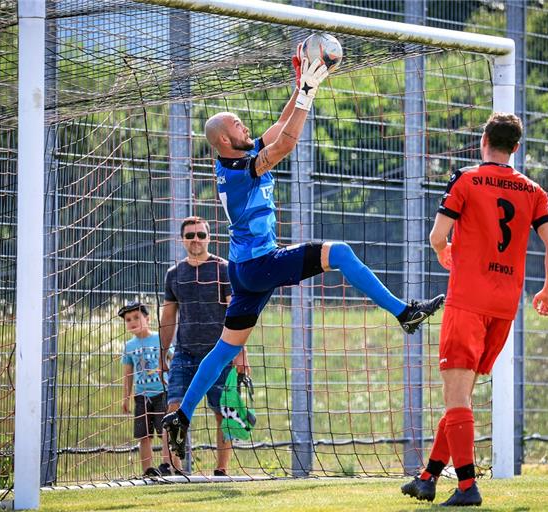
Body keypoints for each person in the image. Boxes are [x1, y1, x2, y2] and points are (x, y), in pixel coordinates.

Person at [161, 49, 445, 459]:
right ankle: (405, 313)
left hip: (245, 270)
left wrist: (301, 85)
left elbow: (279, 128)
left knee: (224, 348)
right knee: (340, 252)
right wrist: (308, 93)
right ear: (224, 139)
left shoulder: (237, 157)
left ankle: (181, 415)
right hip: (260, 265)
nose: (246, 127)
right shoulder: (239, 172)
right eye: (238, 125)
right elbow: (287, 143)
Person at [400, 112, 548, 507]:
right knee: (464, 396)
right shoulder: (533, 190)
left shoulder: (467, 179)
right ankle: (427, 478)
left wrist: (445, 251)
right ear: (516, 148)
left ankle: (467, 486)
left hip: (467, 301)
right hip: (504, 306)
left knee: (456, 398)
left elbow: (437, 236)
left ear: (483, 140)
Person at [159, 216, 249, 477]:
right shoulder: (174, 274)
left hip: (220, 353)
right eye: (190, 235)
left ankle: (221, 469)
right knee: (173, 407)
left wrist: (241, 353)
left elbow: (239, 313)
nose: (195, 240)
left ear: (208, 238)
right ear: (182, 239)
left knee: (223, 411)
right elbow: (168, 317)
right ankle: (170, 466)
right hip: (184, 353)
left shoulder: (224, 269)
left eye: (200, 235)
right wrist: (161, 353)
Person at [119, 301, 173, 477]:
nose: (132, 322)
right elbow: (128, 375)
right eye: (128, 319)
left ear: (147, 319)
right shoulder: (129, 346)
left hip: (162, 393)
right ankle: (148, 470)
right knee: (144, 435)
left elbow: (172, 359)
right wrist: (125, 398)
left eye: (136, 317)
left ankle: (170, 466)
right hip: (142, 396)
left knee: (167, 431)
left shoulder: (159, 338)